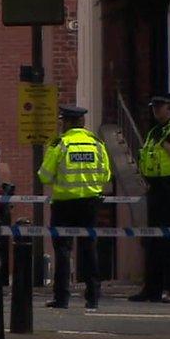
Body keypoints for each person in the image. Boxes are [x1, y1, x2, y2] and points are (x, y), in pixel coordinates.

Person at [37, 105, 112, 310]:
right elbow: (105, 176)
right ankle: (93, 298)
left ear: (68, 122)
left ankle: (61, 298)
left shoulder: (60, 144)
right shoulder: (97, 144)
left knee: (62, 251)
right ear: (83, 123)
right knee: (89, 249)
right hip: (90, 204)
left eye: (62, 122)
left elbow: (44, 175)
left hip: (64, 205)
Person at [128, 93, 170, 303]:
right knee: (153, 239)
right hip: (155, 188)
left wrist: (166, 146)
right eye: (153, 107)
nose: (155, 111)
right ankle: (151, 289)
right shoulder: (154, 131)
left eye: (159, 107)